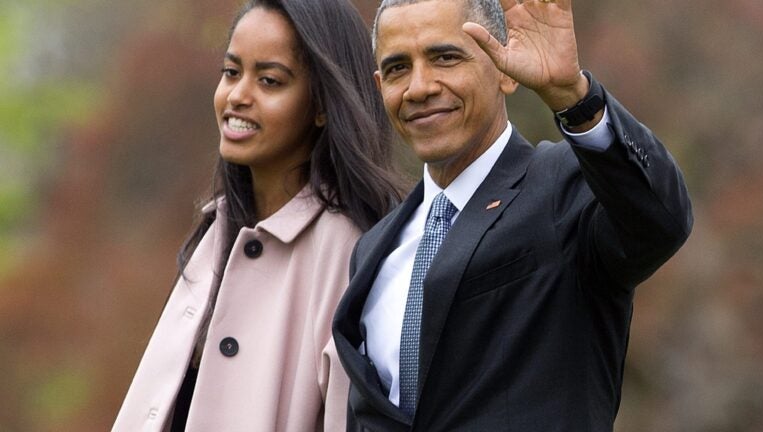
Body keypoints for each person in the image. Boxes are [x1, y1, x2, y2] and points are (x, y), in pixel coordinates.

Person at [332, 0, 693, 430]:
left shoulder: (564, 186)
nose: (419, 87)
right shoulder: (374, 248)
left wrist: (575, 99)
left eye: (445, 57)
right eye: (397, 69)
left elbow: (660, 221)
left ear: (504, 69)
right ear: (379, 86)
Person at [112, 0, 403, 430]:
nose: (237, 96)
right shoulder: (217, 232)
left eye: (269, 80)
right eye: (231, 72)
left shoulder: (347, 250)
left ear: (322, 104)